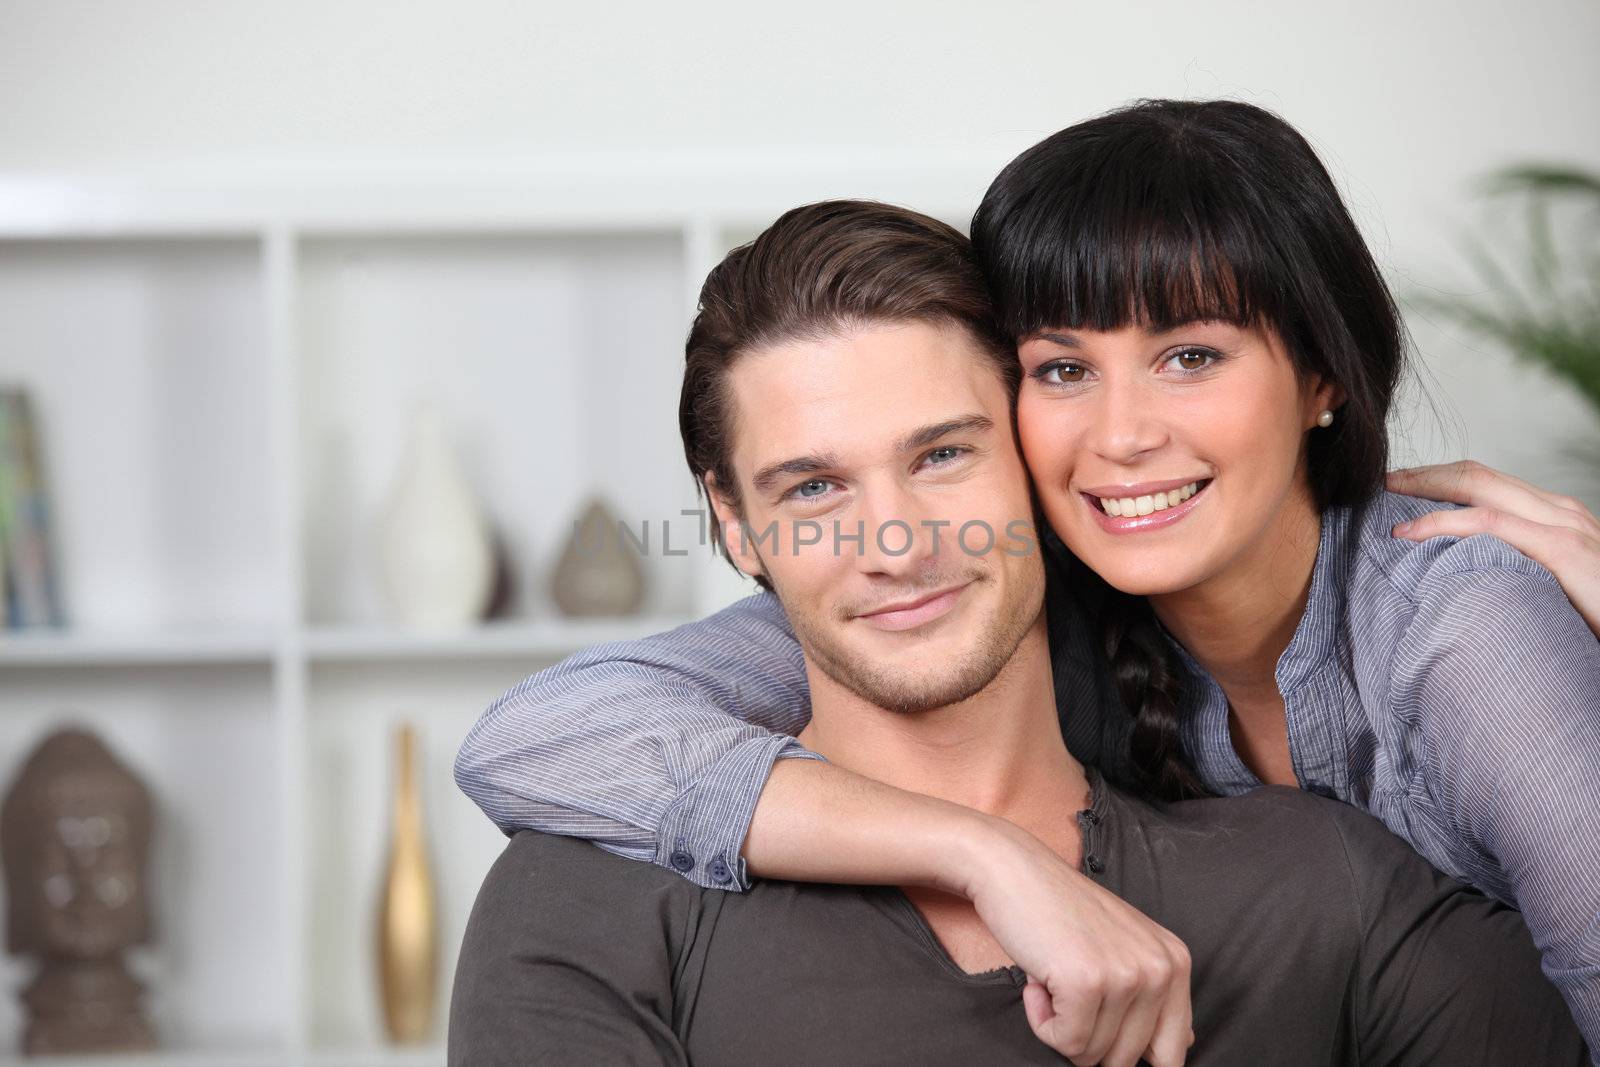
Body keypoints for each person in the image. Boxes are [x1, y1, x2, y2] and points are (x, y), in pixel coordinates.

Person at [454, 100, 1600, 1062]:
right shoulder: (589, 893)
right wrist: (980, 848)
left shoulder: (1451, 657)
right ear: (733, 525)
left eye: (941, 454)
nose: (892, 543)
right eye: (811, 488)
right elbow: (535, 732)